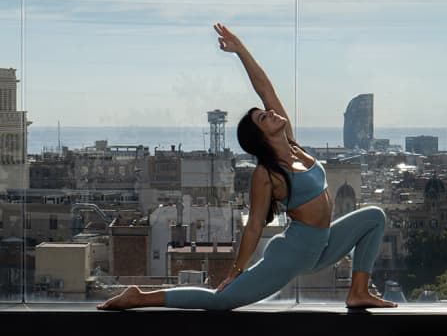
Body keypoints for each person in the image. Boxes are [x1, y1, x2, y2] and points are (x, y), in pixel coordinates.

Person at [97, 23, 396, 311]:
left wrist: (241, 50)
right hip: (292, 255)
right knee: (221, 301)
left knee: (374, 217)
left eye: (266, 113)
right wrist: (236, 270)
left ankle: (358, 292)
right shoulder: (266, 174)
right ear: (263, 137)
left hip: (324, 245)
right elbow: (254, 225)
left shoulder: (295, 146)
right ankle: (139, 297)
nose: (271, 113)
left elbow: (265, 89)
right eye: (264, 118)